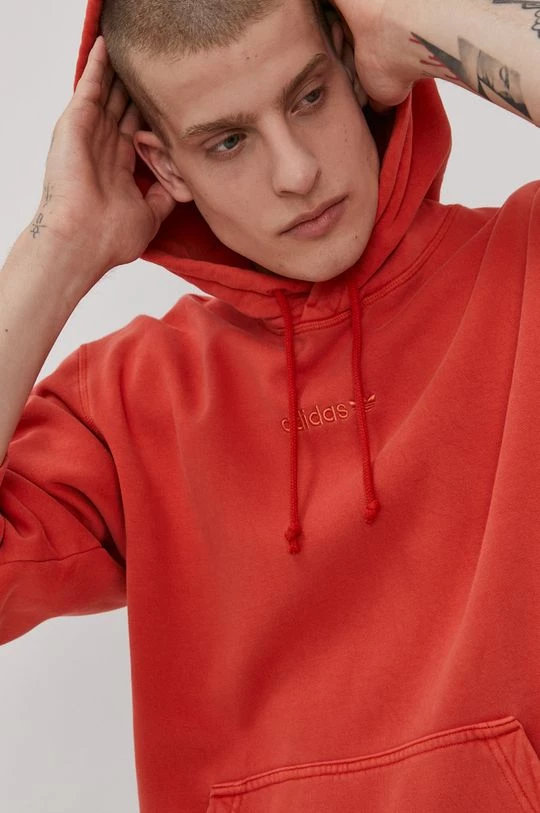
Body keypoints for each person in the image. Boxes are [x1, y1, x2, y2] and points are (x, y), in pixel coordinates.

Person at [1, 0, 539, 809]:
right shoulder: (127, 402)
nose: (296, 172)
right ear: (166, 168)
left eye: (309, 96)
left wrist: (423, 18)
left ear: (352, 66)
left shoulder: (526, 269)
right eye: (228, 141)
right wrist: (58, 245)